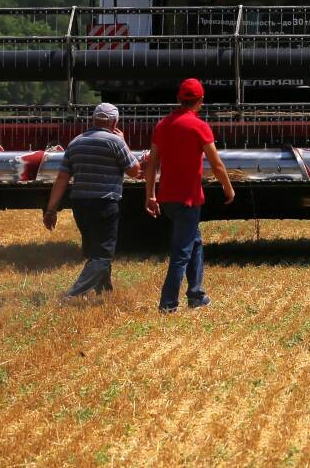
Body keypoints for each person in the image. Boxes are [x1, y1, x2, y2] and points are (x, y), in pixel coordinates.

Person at [143, 78, 235, 313]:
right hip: (188, 198)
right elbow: (216, 164)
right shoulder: (199, 126)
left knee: (195, 242)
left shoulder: (163, 125)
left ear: (178, 99)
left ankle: (197, 295)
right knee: (181, 252)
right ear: (201, 100)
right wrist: (228, 187)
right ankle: (168, 304)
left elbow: (152, 163)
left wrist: (150, 195)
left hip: (168, 198)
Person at [44, 102, 140, 300]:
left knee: (94, 249)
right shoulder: (115, 142)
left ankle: (104, 291)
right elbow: (134, 170)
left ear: (93, 120)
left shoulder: (76, 142)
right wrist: (124, 141)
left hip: (80, 203)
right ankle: (73, 294)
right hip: (105, 203)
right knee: (103, 254)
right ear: (114, 122)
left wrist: (51, 209)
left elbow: (62, 178)